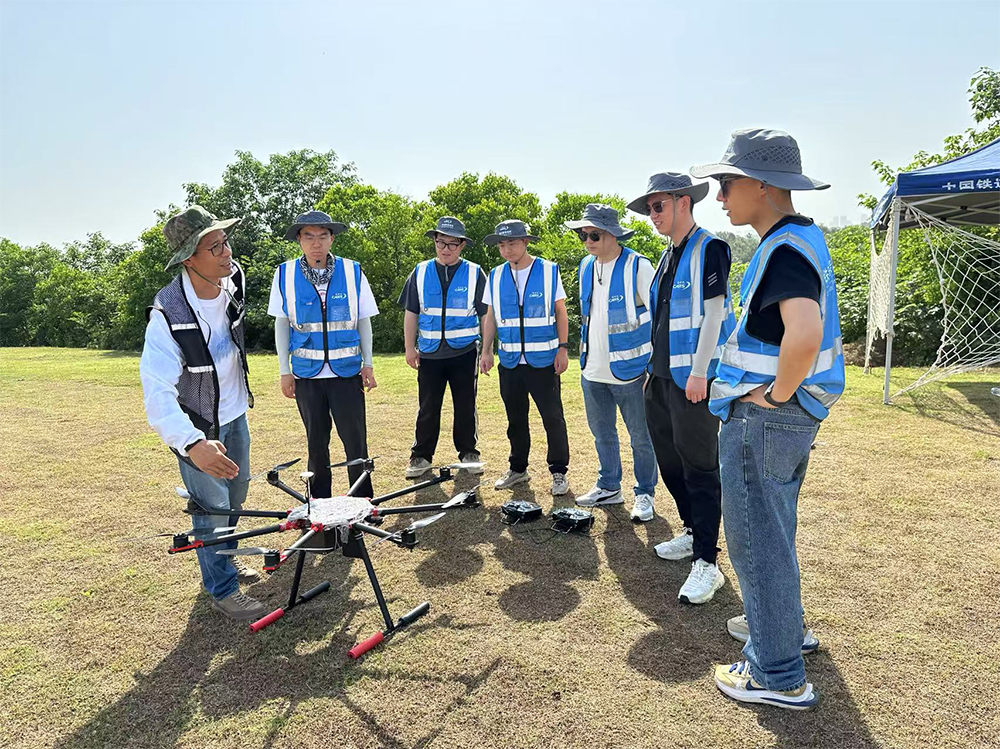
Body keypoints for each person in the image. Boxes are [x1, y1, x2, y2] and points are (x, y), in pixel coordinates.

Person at [691, 128, 845, 710]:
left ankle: (776, 673)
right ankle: (783, 628)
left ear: (761, 184)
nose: (719, 196)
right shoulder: (801, 239)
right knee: (773, 533)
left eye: (726, 183)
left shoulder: (782, 248)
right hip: (788, 419)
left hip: (767, 419)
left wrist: (775, 397)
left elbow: (803, 334)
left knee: (757, 540)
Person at [140, 205, 264, 620]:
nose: (228, 253)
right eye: (216, 247)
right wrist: (193, 444)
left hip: (235, 413)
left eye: (226, 242)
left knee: (237, 494)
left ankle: (224, 558)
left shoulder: (234, 277)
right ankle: (222, 588)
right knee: (212, 509)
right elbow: (157, 393)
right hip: (197, 427)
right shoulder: (167, 314)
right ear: (189, 259)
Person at [627, 173, 736, 605]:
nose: (652, 215)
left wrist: (700, 372)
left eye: (658, 206)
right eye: (648, 209)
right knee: (670, 461)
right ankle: (691, 532)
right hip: (659, 377)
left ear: (684, 202)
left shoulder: (711, 248)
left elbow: (714, 315)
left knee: (700, 467)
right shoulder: (667, 255)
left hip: (693, 379)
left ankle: (707, 561)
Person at [268, 210, 378, 498]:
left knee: (356, 442)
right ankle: (318, 502)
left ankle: (363, 499)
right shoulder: (284, 274)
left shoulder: (353, 271)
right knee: (316, 444)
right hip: (306, 374)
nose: (316, 243)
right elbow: (281, 323)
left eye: (322, 236)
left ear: (332, 239)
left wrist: (368, 363)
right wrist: (284, 370)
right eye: (309, 237)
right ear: (299, 240)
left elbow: (363, 320)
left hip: (347, 372)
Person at [566, 204, 658, 521]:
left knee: (641, 439)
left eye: (593, 235)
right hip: (592, 371)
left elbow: (659, 318)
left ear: (612, 234)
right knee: (602, 434)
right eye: (583, 235)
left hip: (632, 373)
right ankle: (609, 486)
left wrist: (652, 368)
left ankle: (645, 494)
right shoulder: (585, 266)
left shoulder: (638, 266)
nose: (587, 241)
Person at [479, 220, 571, 494]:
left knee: (552, 418)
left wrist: (563, 348)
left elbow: (560, 312)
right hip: (509, 362)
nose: (507, 250)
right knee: (515, 419)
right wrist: (486, 350)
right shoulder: (495, 275)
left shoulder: (549, 271)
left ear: (526, 242)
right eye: (502, 245)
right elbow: (491, 316)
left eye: (512, 243)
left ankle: (558, 471)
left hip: (543, 361)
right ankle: (518, 468)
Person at [398, 216, 487, 478]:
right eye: (441, 242)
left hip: (465, 352)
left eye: (452, 244)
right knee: (427, 406)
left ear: (462, 245)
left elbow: (485, 314)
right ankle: (421, 456)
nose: (445, 249)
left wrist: (487, 349)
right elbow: (411, 312)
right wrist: (409, 347)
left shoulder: (475, 272)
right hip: (429, 353)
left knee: (465, 405)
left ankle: (469, 453)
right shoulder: (420, 271)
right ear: (435, 242)